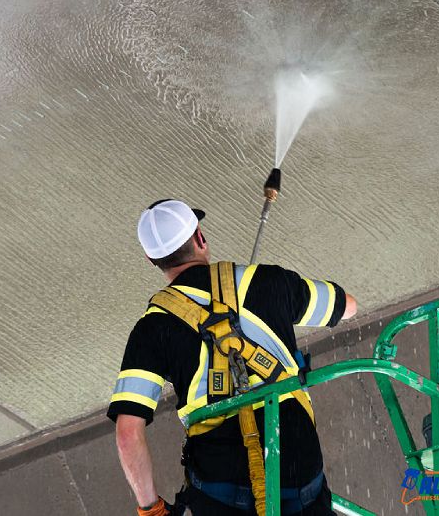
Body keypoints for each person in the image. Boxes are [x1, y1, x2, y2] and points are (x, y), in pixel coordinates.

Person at [107, 199, 358, 516]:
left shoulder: (152, 328)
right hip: (298, 472)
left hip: (223, 492)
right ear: (200, 237)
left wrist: (150, 507)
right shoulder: (268, 281)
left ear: (151, 259)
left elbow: (128, 432)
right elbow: (348, 306)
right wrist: (275, 299)